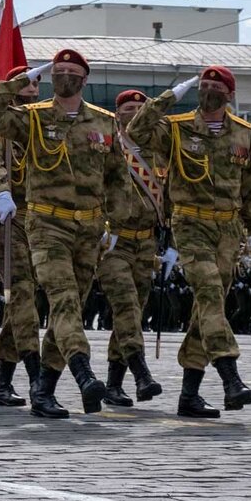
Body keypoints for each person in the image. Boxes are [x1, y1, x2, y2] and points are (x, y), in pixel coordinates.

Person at [0, 51, 126, 418]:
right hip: (46, 224)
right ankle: (83, 372)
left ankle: (43, 389)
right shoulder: (33, 118)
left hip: (88, 229)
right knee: (62, 299)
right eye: (57, 72)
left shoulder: (105, 124)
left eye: (71, 72)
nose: (63, 77)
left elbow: (118, 179)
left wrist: (116, 227)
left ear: (84, 80)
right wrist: (16, 81)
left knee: (72, 304)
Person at [127, 65, 251, 417]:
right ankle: (230, 376)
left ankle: (189, 395)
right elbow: (136, 130)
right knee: (209, 295)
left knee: (206, 310)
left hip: (228, 232)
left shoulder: (243, 134)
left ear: (229, 95)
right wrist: (169, 97)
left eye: (214, 87)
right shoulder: (177, 128)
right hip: (189, 224)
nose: (207, 91)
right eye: (202, 86)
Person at [0, 65, 40, 408]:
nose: (32, 88)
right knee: (22, 293)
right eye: (25, 83)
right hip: (9, 217)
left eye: (36, 83)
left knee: (22, 303)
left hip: (44, 220)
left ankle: (3, 382)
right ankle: (37, 378)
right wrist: (2, 192)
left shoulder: (45, 124)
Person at [99, 90, 163, 406]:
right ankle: (142, 374)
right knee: (125, 306)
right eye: (129, 108)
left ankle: (114, 385)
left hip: (147, 242)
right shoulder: (107, 145)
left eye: (141, 107)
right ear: (117, 112)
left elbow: (172, 196)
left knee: (133, 314)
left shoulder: (157, 150)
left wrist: (171, 242)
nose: (135, 112)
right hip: (114, 241)